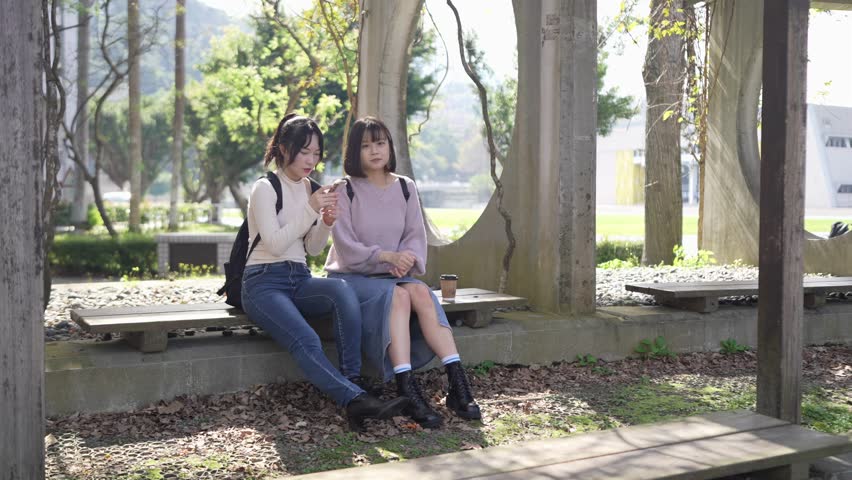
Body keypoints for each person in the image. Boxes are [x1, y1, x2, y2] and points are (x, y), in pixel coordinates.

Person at [241, 113, 407, 431]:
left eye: (316, 154)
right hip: (262, 282)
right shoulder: (265, 187)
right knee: (306, 338)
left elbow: (313, 249)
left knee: (342, 292)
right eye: (305, 152)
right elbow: (275, 244)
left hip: (298, 277)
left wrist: (326, 222)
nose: (311, 161)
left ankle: (353, 379)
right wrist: (310, 210)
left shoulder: (310, 189)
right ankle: (356, 401)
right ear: (284, 148)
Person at [325, 116, 481, 429]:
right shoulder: (345, 190)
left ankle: (457, 383)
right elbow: (345, 245)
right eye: (366, 145)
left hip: (393, 274)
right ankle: (406, 387)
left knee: (421, 291)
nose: (374, 151)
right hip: (351, 279)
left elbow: (414, 235)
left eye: (380, 143)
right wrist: (384, 256)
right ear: (354, 152)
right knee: (398, 295)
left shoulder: (405, 187)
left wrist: (406, 259)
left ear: (390, 147)